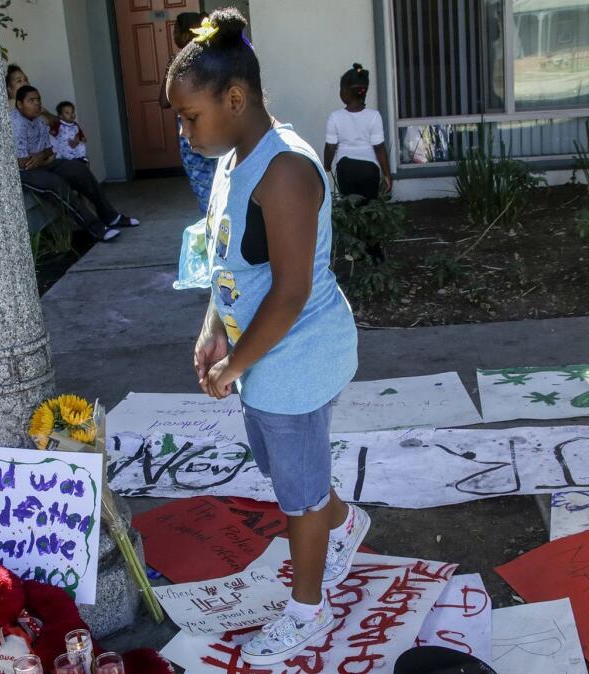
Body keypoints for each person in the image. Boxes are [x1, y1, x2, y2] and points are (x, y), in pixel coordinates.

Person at [166, 8, 366, 666]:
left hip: (297, 355)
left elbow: (289, 293)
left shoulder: (284, 171)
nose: (183, 129)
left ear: (234, 97)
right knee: (284, 464)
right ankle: (346, 523)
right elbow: (228, 263)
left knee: (297, 492)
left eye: (190, 116)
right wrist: (212, 331)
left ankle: (309, 610)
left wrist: (234, 365)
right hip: (260, 355)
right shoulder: (232, 158)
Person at [12, 86, 140, 241]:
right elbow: (24, 163)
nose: (37, 103)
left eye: (38, 99)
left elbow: (49, 151)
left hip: (42, 164)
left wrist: (40, 157)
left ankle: (111, 217)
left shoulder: (39, 122)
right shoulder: (16, 124)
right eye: (31, 101)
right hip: (23, 172)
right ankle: (96, 228)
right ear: (19, 104)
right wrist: (41, 158)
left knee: (78, 169)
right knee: (56, 183)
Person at [163, 11, 217, 214]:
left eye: (176, 30)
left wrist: (170, 70)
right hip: (215, 134)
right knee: (221, 187)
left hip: (194, 141)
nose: (173, 35)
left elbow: (163, 101)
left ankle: (215, 234)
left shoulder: (181, 63)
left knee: (206, 194)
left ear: (187, 35)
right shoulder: (214, 59)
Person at [323, 63, 392, 200]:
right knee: (369, 208)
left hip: (346, 169)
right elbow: (379, 148)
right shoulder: (374, 116)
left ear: (345, 92)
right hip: (369, 170)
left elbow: (331, 147)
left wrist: (327, 165)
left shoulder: (335, 117)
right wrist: (387, 174)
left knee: (350, 210)